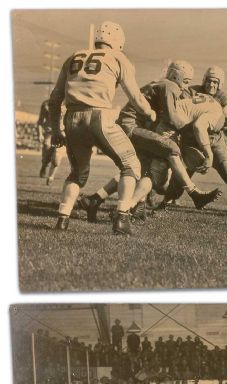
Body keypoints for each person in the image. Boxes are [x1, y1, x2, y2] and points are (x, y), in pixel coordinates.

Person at [80, 60, 222, 223]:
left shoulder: (162, 84)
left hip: (132, 125)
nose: (184, 87)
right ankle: (194, 193)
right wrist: (190, 134)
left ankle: (96, 199)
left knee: (141, 171)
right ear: (177, 76)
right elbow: (173, 119)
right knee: (172, 149)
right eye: (186, 82)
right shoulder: (170, 86)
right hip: (131, 126)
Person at [48, 21, 156, 234]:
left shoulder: (73, 57)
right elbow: (135, 96)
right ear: (117, 42)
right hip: (99, 116)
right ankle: (122, 219)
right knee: (131, 165)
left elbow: (54, 99)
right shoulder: (118, 58)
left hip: (72, 118)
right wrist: (149, 113)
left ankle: (63, 219)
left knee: (77, 174)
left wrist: (55, 129)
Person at [165, 65, 227, 228]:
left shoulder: (225, 98)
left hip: (214, 141)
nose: (211, 85)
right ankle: (165, 202)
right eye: (209, 81)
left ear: (220, 84)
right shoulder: (191, 90)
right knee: (180, 175)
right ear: (204, 80)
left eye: (215, 82)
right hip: (192, 140)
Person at [37, 99, 66, 185]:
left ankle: (51, 176)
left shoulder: (70, 104)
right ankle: (44, 165)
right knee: (46, 151)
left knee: (57, 157)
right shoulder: (46, 104)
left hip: (62, 134)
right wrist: (40, 134)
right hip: (49, 133)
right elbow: (40, 122)